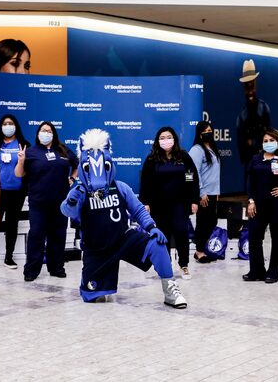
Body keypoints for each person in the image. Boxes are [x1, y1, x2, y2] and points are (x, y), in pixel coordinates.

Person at [61, 129, 187, 308]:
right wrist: (72, 198)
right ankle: (98, 285)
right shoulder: (80, 191)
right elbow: (67, 211)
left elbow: (138, 210)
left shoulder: (121, 188)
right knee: (93, 298)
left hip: (123, 239)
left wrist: (152, 227)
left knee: (158, 244)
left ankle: (170, 291)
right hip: (97, 248)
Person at [15, 121, 78, 282]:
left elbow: (76, 164)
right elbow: (18, 174)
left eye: (49, 131)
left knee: (58, 235)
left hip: (60, 202)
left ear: (53, 134)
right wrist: (21, 160)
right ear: (38, 134)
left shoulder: (63, 150)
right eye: (43, 130)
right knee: (36, 235)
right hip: (38, 203)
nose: (46, 133)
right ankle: (31, 270)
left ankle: (56, 267)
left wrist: (72, 178)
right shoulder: (31, 152)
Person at [139, 127, 200, 279]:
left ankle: (183, 265)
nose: (166, 140)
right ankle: (166, 266)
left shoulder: (183, 157)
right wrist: (145, 202)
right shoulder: (152, 159)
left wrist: (194, 199)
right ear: (157, 141)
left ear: (174, 139)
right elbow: (145, 182)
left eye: (169, 137)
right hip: (159, 205)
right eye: (162, 138)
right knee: (163, 236)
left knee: (181, 232)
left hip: (180, 204)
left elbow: (191, 178)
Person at [244, 128, 278, 283]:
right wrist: (250, 200)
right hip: (258, 204)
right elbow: (249, 181)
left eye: (272, 140)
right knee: (254, 237)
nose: (268, 143)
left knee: (277, 238)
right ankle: (256, 270)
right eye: (266, 141)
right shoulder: (256, 159)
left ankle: (273, 272)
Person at [0, 115, 30, 269]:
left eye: (10, 123)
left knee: (12, 224)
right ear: (0, 126)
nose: (8, 126)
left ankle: (9, 257)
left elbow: (29, 170)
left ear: (16, 126)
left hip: (17, 192)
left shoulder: (24, 144)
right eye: (5, 123)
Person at [188, 121, 221, 263]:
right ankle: (199, 251)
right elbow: (193, 172)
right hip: (204, 193)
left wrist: (217, 191)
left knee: (212, 221)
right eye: (205, 130)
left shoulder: (212, 148)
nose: (209, 132)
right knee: (203, 222)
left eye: (210, 129)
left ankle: (200, 247)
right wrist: (201, 192)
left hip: (213, 192)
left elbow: (214, 172)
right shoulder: (197, 149)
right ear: (200, 134)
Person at [235, 59, 272, 165]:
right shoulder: (242, 116)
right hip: (249, 162)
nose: (250, 90)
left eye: (252, 85)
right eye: (247, 86)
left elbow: (269, 134)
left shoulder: (264, 108)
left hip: (264, 158)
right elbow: (241, 145)